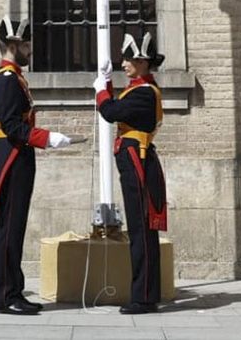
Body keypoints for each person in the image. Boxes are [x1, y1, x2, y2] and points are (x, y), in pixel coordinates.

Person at [0, 17, 75, 315]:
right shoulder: (8, 80)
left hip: (15, 154)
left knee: (13, 228)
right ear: (13, 45)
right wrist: (47, 138)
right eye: (26, 44)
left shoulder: (13, 76)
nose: (30, 49)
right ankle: (6, 295)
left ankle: (11, 291)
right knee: (9, 229)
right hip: (12, 156)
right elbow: (12, 127)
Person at [94, 31, 168, 315]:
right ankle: (146, 292)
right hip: (133, 160)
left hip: (138, 162)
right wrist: (109, 84)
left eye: (128, 59)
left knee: (141, 230)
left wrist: (102, 89)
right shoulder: (137, 89)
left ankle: (144, 297)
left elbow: (111, 112)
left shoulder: (144, 93)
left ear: (142, 62)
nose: (123, 64)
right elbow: (117, 107)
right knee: (139, 229)